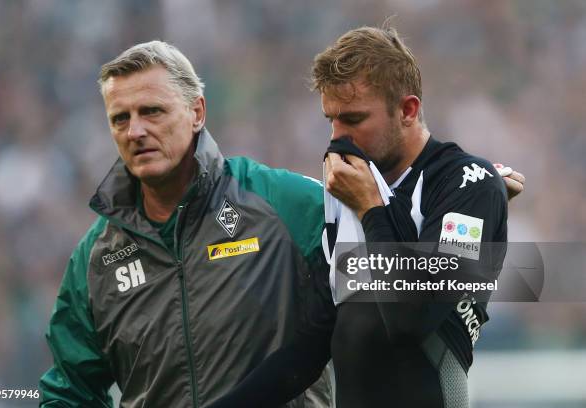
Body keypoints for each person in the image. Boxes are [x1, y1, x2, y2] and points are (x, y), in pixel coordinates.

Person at [211, 25, 525, 408]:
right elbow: (317, 337)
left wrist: (372, 209)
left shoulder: (467, 184)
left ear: (408, 110)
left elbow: (413, 318)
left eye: (354, 119)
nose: (337, 137)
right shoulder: (348, 191)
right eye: (331, 119)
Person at [38, 40, 336, 407]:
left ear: (197, 112)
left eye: (152, 112)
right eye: (120, 118)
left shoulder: (285, 204)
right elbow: (68, 390)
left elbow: (401, 285)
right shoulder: (96, 257)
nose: (135, 131)